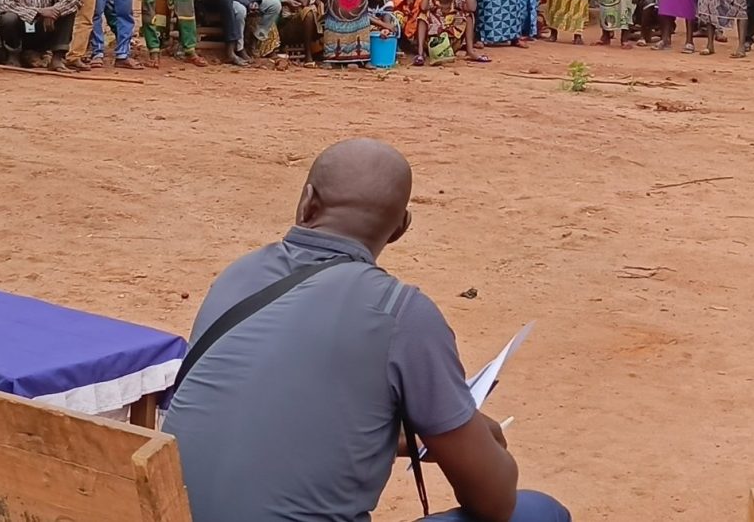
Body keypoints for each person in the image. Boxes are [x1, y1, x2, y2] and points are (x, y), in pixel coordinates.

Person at [164, 139, 570, 522]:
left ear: (307, 203)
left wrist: (402, 440)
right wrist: (480, 442)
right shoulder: (399, 312)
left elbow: (261, 422)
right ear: (400, 228)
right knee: (539, 511)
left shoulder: (238, 276)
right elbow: (495, 503)